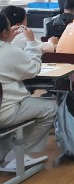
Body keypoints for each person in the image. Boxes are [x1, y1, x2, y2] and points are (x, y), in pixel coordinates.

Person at [0, 13, 57, 169]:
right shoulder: (8, 51)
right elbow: (32, 69)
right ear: (4, 32)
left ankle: (3, 153)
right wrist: (31, 43)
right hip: (5, 112)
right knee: (51, 108)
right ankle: (18, 156)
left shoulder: (7, 48)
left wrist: (7, 40)